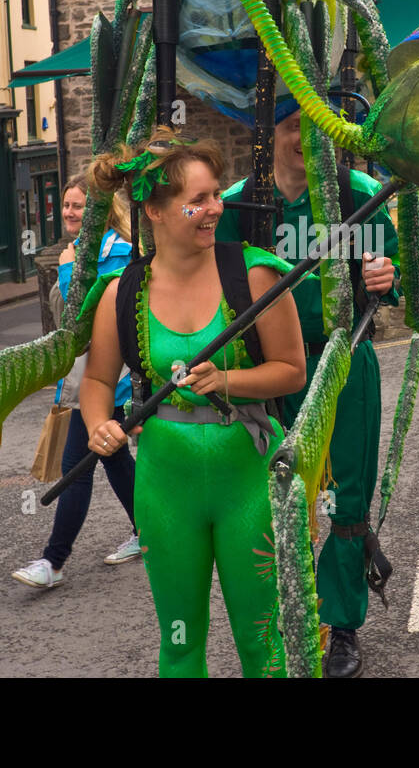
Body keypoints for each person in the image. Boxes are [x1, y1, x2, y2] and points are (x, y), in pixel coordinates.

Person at [82, 133, 306, 677]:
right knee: (179, 642)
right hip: (164, 486)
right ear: (154, 211)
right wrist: (98, 425)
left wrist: (228, 379)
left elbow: (292, 369)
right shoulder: (122, 292)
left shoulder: (253, 273)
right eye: (199, 201)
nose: (214, 210)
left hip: (248, 477)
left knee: (262, 642)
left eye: (214, 196)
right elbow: (95, 378)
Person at [216, 110, 399, 678]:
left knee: (347, 501)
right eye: (291, 123)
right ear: (269, 132)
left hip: (344, 362)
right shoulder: (238, 205)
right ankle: (284, 615)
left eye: (318, 124)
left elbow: (402, 282)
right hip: (265, 373)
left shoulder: (359, 194)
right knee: (270, 499)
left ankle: (341, 626)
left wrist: (386, 278)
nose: (305, 137)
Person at [13, 176, 140, 588]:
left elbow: (83, 318)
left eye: (79, 206)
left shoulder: (118, 254)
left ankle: (54, 561)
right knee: (115, 462)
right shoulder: (79, 252)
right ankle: (150, 532)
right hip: (87, 376)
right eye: (66, 205)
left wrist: (69, 271)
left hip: (110, 377)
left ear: (101, 211)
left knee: (76, 467)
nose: (70, 213)